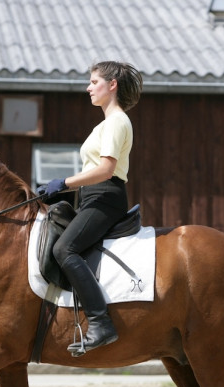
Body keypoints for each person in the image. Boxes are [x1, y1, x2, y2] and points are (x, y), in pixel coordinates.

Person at [38, 61, 143, 356]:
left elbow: (106, 169)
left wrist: (64, 182)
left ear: (112, 86)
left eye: (94, 81)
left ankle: (101, 323)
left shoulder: (117, 121)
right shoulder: (104, 124)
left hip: (104, 196)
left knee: (64, 250)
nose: (88, 87)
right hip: (90, 197)